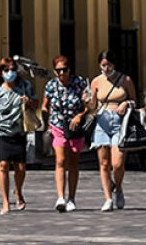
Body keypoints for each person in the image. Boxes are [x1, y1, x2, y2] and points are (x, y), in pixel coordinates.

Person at [0, 57, 37, 214]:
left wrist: (29, 101)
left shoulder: (25, 86)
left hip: (18, 131)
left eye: (12, 70)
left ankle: (18, 191)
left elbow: (36, 103)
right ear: (1, 72)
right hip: (0, 132)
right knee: (3, 165)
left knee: (20, 167)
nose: (10, 73)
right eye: (6, 70)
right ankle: (5, 201)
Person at [89, 50, 136, 211]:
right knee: (103, 163)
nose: (106, 68)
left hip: (120, 123)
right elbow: (92, 106)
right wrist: (87, 101)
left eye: (108, 65)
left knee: (117, 163)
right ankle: (108, 198)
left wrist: (127, 103)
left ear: (114, 64)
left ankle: (119, 187)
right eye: (103, 65)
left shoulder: (125, 80)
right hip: (102, 122)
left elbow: (135, 101)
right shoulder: (96, 82)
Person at [41, 55, 89, 213]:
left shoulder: (79, 83)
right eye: (58, 70)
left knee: (73, 163)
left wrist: (80, 115)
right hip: (58, 125)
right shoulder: (51, 86)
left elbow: (89, 105)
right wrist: (45, 121)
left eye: (64, 70)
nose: (62, 73)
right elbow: (45, 105)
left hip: (75, 126)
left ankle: (72, 198)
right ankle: (60, 197)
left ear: (70, 69)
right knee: (60, 160)